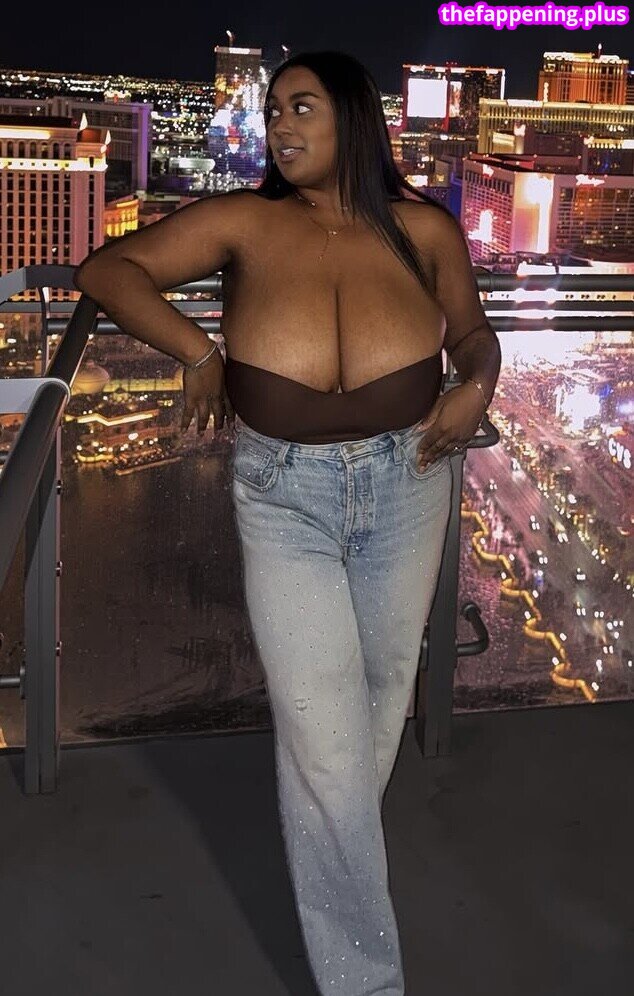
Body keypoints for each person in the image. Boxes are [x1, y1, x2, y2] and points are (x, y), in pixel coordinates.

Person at [74, 50, 501, 996]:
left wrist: (478, 384)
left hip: (410, 479)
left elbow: (473, 334)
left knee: (377, 705)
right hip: (284, 495)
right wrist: (199, 353)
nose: (279, 126)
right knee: (321, 737)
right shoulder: (245, 220)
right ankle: (365, 982)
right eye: (273, 111)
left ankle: (337, 852)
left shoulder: (424, 228)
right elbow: (110, 269)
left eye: (300, 107)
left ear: (353, 116)